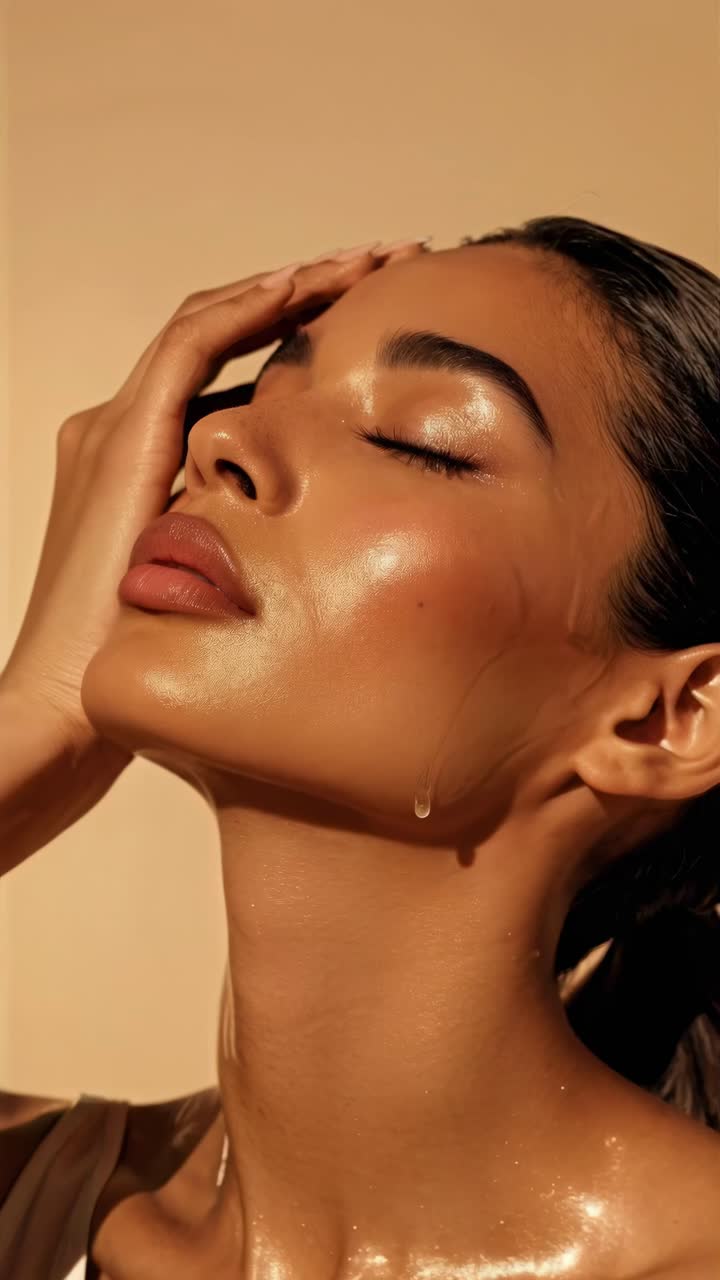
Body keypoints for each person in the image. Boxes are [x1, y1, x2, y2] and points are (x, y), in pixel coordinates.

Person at [1, 218, 719, 1280]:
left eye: (419, 438)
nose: (216, 442)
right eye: (248, 394)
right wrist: (34, 715)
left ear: (668, 718)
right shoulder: (37, 1201)